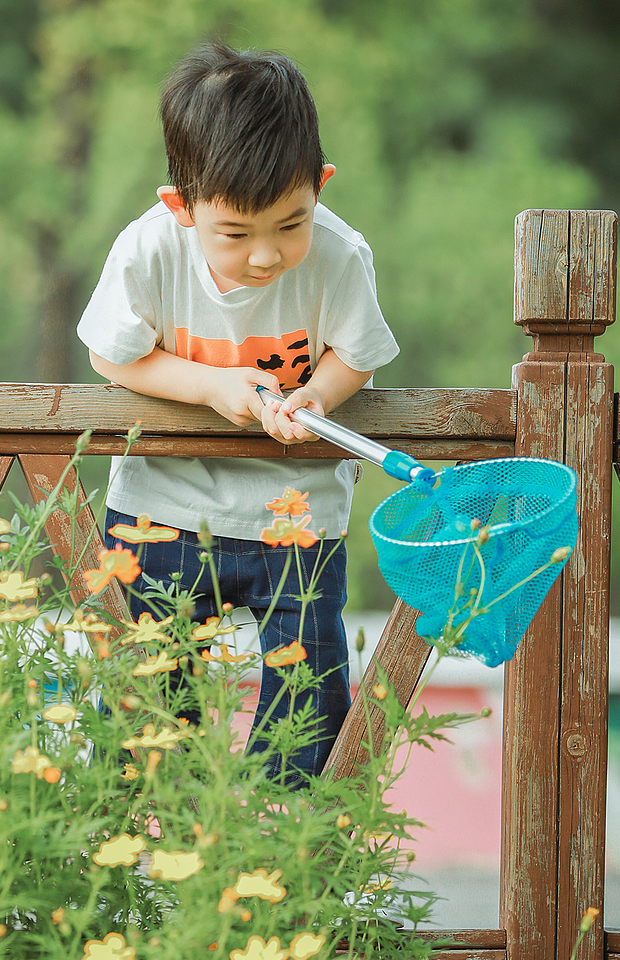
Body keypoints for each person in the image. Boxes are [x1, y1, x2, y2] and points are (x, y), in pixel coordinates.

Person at [77, 39, 398, 779]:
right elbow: (110, 353)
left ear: (320, 185)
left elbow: (359, 352)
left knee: (308, 713)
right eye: (235, 233)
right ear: (182, 207)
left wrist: (317, 393)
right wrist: (215, 387)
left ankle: (278, 860)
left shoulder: (340, 255)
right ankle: (148, 861)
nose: (265, 256)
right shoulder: (148, 250)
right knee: (147, 724)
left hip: (298, 511)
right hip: (162, 505)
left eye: (291, 224)